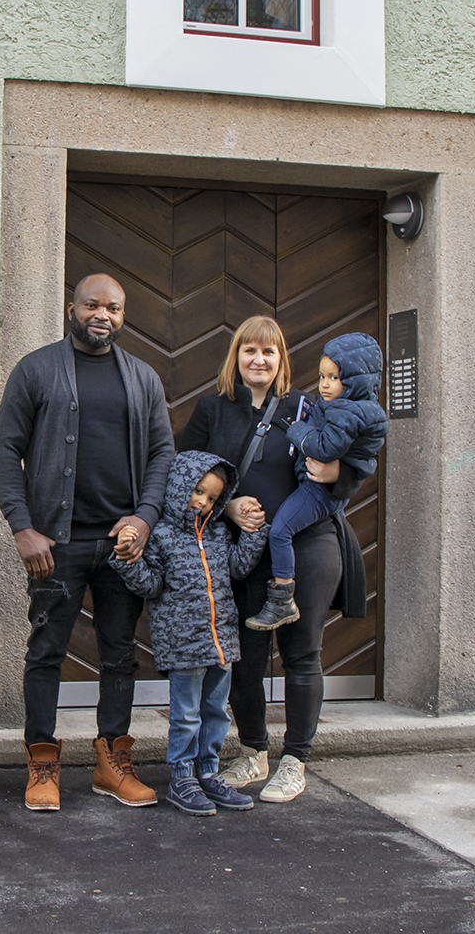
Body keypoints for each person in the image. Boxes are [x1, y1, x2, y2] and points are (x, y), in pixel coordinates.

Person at [0, 272, 175, 811]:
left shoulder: (141, 378)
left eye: (114, 308)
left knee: (120, 657)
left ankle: (111, 764)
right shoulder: (37, 369)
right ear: (72, 308)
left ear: (123, 314)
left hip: (122, 546)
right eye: (93, 305)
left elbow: (163, 453)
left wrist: (143, 519)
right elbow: (5, 451)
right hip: (57, 546)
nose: (103, 315)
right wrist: (21, 527)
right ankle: (42, 764)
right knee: (46, 653)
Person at [177, 316, 369, 804]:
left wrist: (334, 471)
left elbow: (351, 470)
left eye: (269, 352)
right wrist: (228, 505)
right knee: (243, 657)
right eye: (249, 351)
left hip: (309, 545)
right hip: (241, 550)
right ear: (235, 357)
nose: (259, 360)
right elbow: (185, 475)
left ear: (282, 358)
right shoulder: (210, 409)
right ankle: (254, 751)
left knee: (303, 653)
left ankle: (295, 760)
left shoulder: (308, 406)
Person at [110, 452, 267, 815]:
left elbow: (237, 568)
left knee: (216, 711)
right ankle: (182, 777)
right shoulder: (161, 534)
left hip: (221, 641)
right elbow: (150, 585)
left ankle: (208, 773)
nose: (203, 501)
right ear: (181, 485)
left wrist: (253, 533)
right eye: (198, 491)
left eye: (212, 498)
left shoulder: (215, 531)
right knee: (185, 715)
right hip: (183, 645)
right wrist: (126, 561)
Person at [248, 333, 387, 631]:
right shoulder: (339, 406)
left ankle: (282, 597)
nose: (324, 384)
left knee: (281, 530)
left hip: (317, 497)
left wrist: (297, 431)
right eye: (322, 376)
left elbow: (327, 449)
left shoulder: (344, 410)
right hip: (302, 495)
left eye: (334, 377)